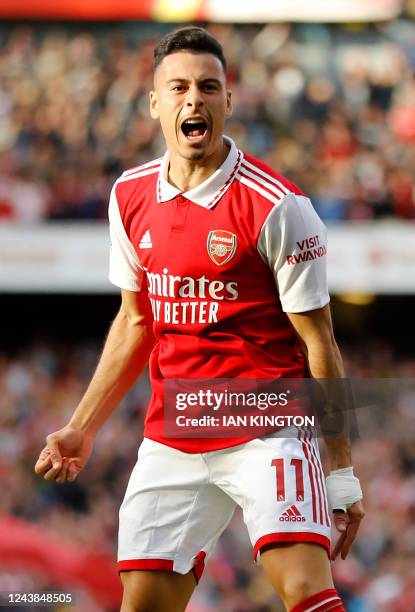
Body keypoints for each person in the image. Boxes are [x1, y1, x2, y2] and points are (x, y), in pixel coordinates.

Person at [35, 26, 364, 612]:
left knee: (306, 590)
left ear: (228, 102)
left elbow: (321, 345)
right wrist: (83, 427)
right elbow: (136, 323)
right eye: (179, 87)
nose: (195, 99)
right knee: (144, 602)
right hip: (174, 434)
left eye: (209, 87)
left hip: (269, 426)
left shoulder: (278, 207)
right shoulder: (129, 196)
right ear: (155, 103)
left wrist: (341, 471)